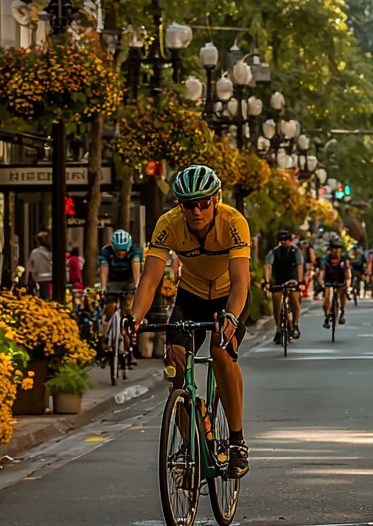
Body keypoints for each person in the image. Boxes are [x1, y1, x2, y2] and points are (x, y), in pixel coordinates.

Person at [128, 165, 251, 479]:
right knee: (175, 359)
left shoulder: (233, 222)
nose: (196, 210)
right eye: (188, 204)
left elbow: (241, 281)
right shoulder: (167, 224)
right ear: (179, 205)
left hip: (228, 296)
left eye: (203, 202)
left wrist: (231, 317)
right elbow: (150, 279)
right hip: (191, 295)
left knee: (221, 352)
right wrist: (133, 319)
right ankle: (188, 443)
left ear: (215, 199)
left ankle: (236, 441)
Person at [264, 230, 303, 342]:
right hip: (278, 280)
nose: (284, 242)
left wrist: (300, 282)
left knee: (294, 299)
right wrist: (267, 282)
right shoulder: (273, 252)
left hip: (292, 279)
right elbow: (268, 267)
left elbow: (300, 266)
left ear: (290, 240)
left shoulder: (296, 252)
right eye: (282, 240)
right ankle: (278, 329)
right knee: (276, 301)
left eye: (287, 239)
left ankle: (295, 325)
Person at [98, 229, 143, 308]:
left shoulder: (135, 250)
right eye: (118, 252)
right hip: (112, 281)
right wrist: (103, 288)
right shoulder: (105, 251)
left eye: (124, 251)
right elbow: (104, 268)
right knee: (110, 306)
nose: (121, 255)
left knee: (130, 307)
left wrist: (137, 286)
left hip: (129, 280)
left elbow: (136, 263)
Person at [318, 242, 351, 325]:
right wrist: (321, 282)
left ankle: (342, 311)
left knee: (343, 291)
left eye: (338, 249)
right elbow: (322, 272)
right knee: (327, 297)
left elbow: (348, 274)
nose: (336, 251)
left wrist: (347, 284)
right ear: (331, 250)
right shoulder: (325, 260)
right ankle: (327, 316)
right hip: (329, 280)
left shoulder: (344, 260)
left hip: (341, 280)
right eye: (334, 249)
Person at [27, 232, 53, 299]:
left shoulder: (35, 252)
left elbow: (31, 267)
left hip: (40, 280)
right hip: (53, 279)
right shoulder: (54, 251)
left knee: (43, 300)